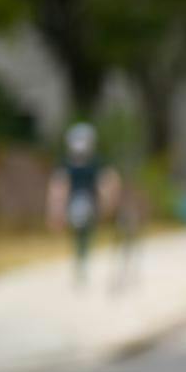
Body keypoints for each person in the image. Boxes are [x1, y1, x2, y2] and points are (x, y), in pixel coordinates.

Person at [48, 123, 121, 288]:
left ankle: (82, 259)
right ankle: (80, 260)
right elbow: (58, 187)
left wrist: (108, 200)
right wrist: (55, 210)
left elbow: (109, 180)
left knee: (86, 233)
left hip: (91, 203)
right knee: (79, 232)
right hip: (75, 204)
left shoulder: (96, 162)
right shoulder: (66, 163)